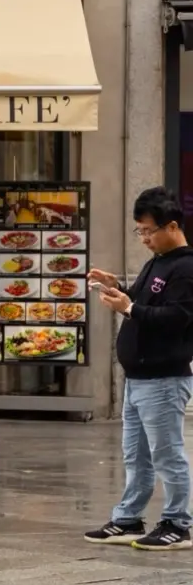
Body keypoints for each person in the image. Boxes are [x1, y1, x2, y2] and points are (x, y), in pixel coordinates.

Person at [86, 187, 193, 549]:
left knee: (167, 453)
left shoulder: (186, 267)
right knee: (136, 454)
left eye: (148, 231)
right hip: (138, 377)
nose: (144, 238)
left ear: (172, 225)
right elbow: (143, 299)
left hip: (164, 377)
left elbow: (177, 317)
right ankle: (129, 517)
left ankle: (178, 523)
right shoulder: (156, 262)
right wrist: (118, 287)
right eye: (140, 231)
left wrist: (128, 308)